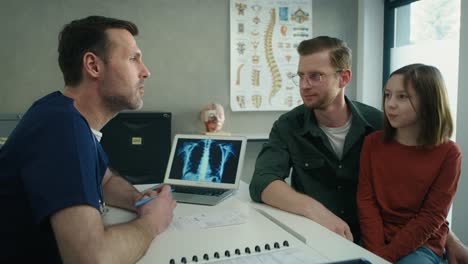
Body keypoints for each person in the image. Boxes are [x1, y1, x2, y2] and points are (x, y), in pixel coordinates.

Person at [249, 36, 468, 263]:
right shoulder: (289, 125)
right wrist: (317, 212)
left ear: (344, 78)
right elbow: (262, 181)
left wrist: (451, 240)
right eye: (301, 76)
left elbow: (417, 197)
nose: (304, 85)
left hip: (374, 239)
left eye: (315, 76)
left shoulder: (381, 125)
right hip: (319, 235)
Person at [0, 16, 176, 263]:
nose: (146, 72)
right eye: (133, 58)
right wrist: (151, 222)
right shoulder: (61, 127)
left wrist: (139, 201)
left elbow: (105, 180)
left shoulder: (61, 115)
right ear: (93, 66)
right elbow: (91, 259)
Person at [357, 64, 461, 263]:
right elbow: (366, 201)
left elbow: (431, 217)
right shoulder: (373, 142)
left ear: (428, 102)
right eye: (388, 95)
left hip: (421, 244)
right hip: (375, 240)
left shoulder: (449, 153)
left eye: (402, 97)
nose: (390, 104)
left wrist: (385, 257)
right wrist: (377, 252)